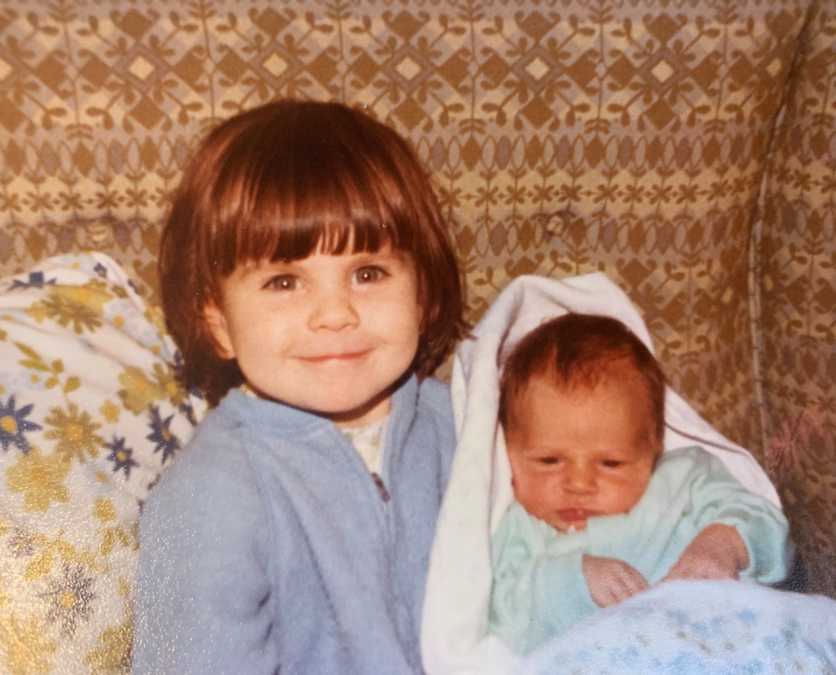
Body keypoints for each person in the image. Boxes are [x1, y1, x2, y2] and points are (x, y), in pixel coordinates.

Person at [132, 99, 467, 674]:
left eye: (368, 273)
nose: (334, 314)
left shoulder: (465, 422)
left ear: (423, 293)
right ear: (218, 324)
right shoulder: (205, 495)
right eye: (285, 281)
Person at [488, 312, 793, 653]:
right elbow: (505, 622)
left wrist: (721, 545)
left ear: (652, 450)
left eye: (611, 463)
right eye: (548, 461)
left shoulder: (683, 481)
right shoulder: (520, 530)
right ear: (506, 451)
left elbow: (767, 526)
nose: (579, 483)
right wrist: (571, 579)